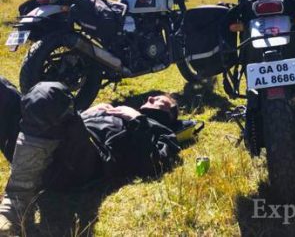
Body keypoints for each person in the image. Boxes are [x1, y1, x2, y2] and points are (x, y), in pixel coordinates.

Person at [0, 76, 182, 235]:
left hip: (80, 161)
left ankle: (15, 202)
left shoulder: (162, 132)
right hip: (44, 143)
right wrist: (83, 115)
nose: (150, 97)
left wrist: (136, 119)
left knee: (49, 92)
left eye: (161, 101)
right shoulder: (116, 111)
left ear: (170, 116)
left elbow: (155, 161)